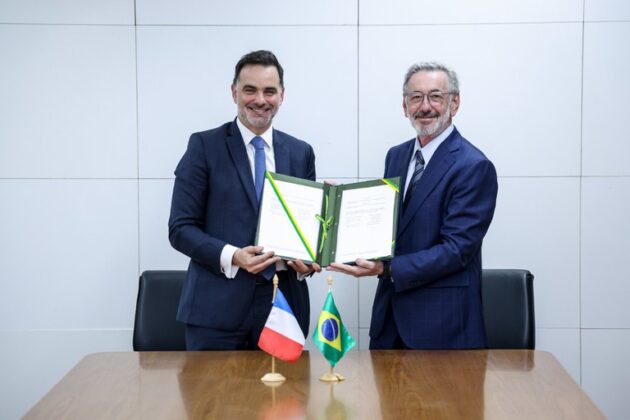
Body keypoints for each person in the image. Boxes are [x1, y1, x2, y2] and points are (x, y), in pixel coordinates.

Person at [329, 62, 498, 349]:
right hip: (389, 323)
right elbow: (388, 227)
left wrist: (386, 269)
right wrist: (339, 210)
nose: (425, 106)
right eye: (416, 97)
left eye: (436, 96)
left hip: (442, 329)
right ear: (405, 105)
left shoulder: (474, 166)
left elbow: (456, 250)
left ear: (454, 103)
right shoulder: (396, 156)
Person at [169, 50, 319, 350]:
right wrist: (233, 255)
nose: (260, 100)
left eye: (269, 91)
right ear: (234, 92)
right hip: (216, 310)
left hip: (284, 307)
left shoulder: (301, 152)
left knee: (285, 384)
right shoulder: (204, 146)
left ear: (282, 96)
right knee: (213, 384)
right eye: (250, 90)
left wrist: (311, 260)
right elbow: (180, 228)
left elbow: (308, 232)